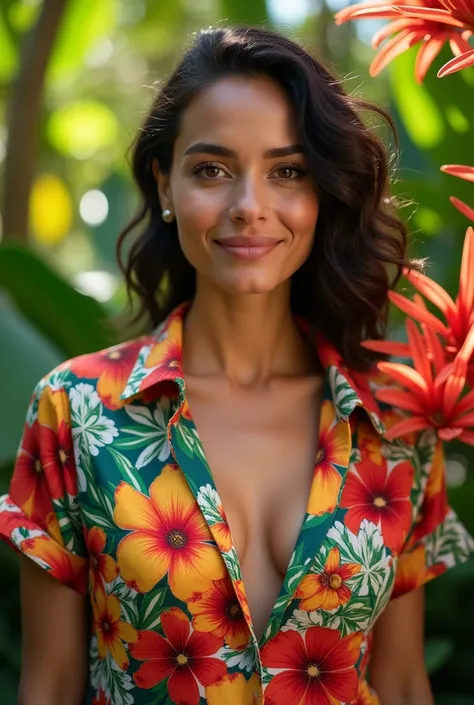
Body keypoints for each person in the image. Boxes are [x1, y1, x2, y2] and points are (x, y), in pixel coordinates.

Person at [1, 25, 473, 705]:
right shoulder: (77, 410)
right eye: (212, 169)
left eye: (287, 170)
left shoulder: (394, 425)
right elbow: (48, 684)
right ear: (165, 185)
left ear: (322, 193)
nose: (249, 207)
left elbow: (401, 680)